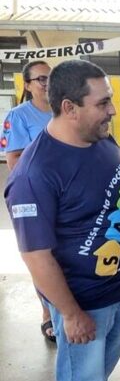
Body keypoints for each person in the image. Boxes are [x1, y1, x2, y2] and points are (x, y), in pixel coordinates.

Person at [4, 59, 120, 381]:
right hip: (81, 298)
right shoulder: (35, 173)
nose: (112, 110)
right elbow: (35, 255)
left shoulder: (101, 140)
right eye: (102, 103)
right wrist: (69, 313)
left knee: (99, 367)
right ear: (69, 108)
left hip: (116, 286)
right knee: (80, 374)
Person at [1, 60, 55, 342]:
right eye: (41, 79)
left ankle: (63, 305)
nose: (47, 83)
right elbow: (14, 162)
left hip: (66, 196)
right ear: (28, 85)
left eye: (51, 78)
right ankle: (48, 313)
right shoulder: (19, 116)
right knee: (41, 255)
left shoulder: (64, 109)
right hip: (35, 196)